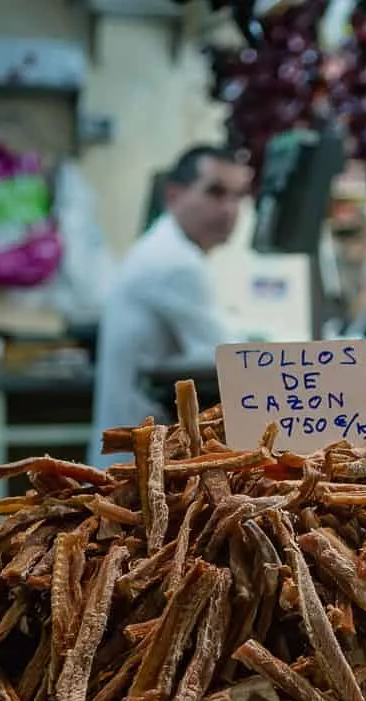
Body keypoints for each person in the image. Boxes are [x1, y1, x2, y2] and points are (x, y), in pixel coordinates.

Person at [92, 144, 252, 467]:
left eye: (238, 197)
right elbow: (232, 359)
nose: (229, 210)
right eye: (215, 193)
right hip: (138, 462)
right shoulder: (176, 262)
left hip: (132, 452)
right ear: (174, 195)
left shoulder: (166, 247)